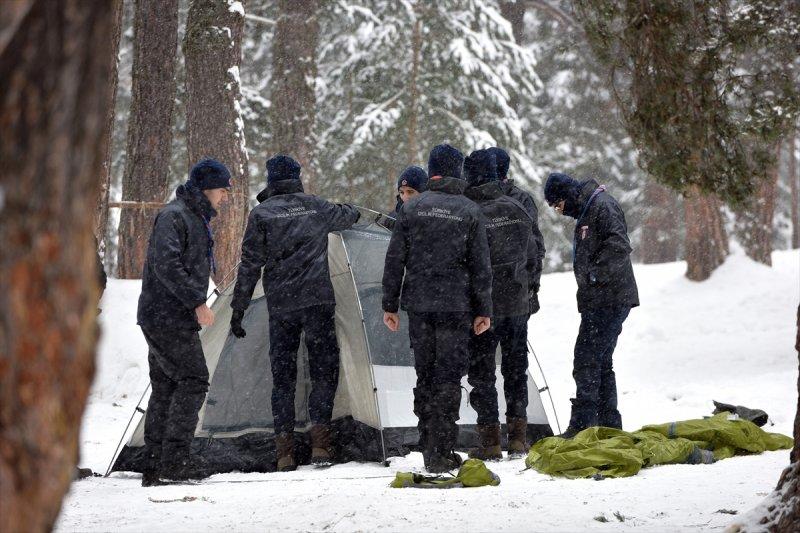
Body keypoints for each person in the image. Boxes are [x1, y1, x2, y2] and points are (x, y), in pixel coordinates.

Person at [229, 155, 360, 472]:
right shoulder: (316, 206)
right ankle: (320, 445)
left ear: (271, 180)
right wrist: (350, 208)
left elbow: (249, 265)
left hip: (282, 306)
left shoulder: (261, 214)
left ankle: (284, 452)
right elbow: (349, 215)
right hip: (317, 302)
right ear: (297, 177)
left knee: (283, 379)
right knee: (323, 373)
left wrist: (239, 308)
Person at [382, 144, 493, 473]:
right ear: (457, 171)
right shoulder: (469, 210)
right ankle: (441, 449)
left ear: (431, 172)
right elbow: (480, 267)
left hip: (418, 305)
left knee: (425, 375)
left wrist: (389, 304)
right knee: (448, 376)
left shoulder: (411, 209)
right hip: (455, 307)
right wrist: (483, 309)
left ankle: (428, 442)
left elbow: (394, 260)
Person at [137, 158, 231, 486]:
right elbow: (166, 263)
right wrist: (196, 302)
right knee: (193, 380)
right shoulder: (175, 215)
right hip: (167, 315)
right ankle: (174, 460)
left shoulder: (191, 216)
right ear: (207, 189)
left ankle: (155, 462)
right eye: (222, 189)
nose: (225, 196)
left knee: (167, 385)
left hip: (165, 314)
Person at [543, 172, 639, 438]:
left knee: (586, 359)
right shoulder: (589, 208)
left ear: (566, 196)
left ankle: (583, 425)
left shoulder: (602, 206)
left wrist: (594, 276)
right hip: (602, 299)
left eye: (557, 205)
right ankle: (609, 425)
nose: (559, 211)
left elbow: (619, 246)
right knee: (600, 361)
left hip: (609, 299)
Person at [463, 149, 538, 460]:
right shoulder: (517, 208)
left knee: (482, 372)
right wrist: (530, 291)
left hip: (483, 306)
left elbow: (464, 262)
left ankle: (490, 439)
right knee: (516, 369)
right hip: (517, 303)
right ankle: (518, 438)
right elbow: (535, 254)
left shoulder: (469, 212)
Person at [488, 147, 545, 314]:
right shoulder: (522, 198)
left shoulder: (519, 199)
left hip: (500, 290)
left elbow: (534, 245)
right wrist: (532, 283)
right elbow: (536, 246)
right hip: (517, 289)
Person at [380, 165, 428, 230]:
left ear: (423, 193)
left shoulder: (434, 217)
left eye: (410, 192)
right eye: (402, 192)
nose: (405, 197)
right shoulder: (392, 219)